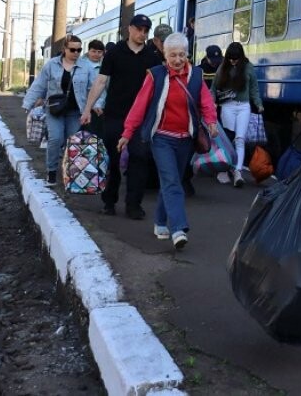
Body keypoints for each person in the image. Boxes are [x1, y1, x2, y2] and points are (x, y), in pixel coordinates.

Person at [117, 32, 218, 249]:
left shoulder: (196, 76)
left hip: (185, 140)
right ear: (165, 55)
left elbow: (206, 102)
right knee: (172, 181)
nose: (178, 60)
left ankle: (160, 221)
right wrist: (127, 133)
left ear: (187, 55)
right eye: (173, 55)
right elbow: (139, 105)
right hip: (161, 138)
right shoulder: (156, 75)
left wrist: (211, 122)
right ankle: (178, 228)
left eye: (182, 54)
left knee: (171, 181)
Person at [80, 14, 163, 219]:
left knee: (139, 158)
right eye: (139, 29)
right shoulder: (114, 53)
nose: (142, 34)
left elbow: (158, 88)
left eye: (146, 31)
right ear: (130, 29)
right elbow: (100, 82)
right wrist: (87, 109)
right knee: (113, 159)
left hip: (141, 119)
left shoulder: (152, 57)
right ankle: (109, 201)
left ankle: (133, 205)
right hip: (115, 116)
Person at [23, 35, 99, 186]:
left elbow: (94, 88)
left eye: (79, 49)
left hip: (76, 111)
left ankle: (70, 173)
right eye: (72, 49)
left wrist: (97, 105)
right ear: (64, 49)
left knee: (71, 142)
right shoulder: (51, 65)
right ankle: (51, 171)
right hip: (54, 110)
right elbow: (39, 84)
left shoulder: (86, 67)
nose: (76, 53)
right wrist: (28, 103)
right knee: (55, 139)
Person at [211, 42, 264, 187]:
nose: (233, 61)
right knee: (228, 139)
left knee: (240, 138)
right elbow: (214, 88)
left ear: (241, 57)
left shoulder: (248, 67)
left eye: (236, 59)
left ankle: (238, 171)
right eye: (231, 58)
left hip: (244, 107)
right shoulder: (223, 67)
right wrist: (211, 103)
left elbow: (254, 88)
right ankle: (225, 168)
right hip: (227, 106)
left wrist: (258, 104)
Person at [82, 39, 107, 137]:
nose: (96, 54)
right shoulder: (80, 64)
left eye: (99, 52)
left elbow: (104, 89)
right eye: (93, 51)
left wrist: (99, 103)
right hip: (82, 106)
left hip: (99, 107)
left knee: (95, 135)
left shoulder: (105, 65)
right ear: (88, 51)